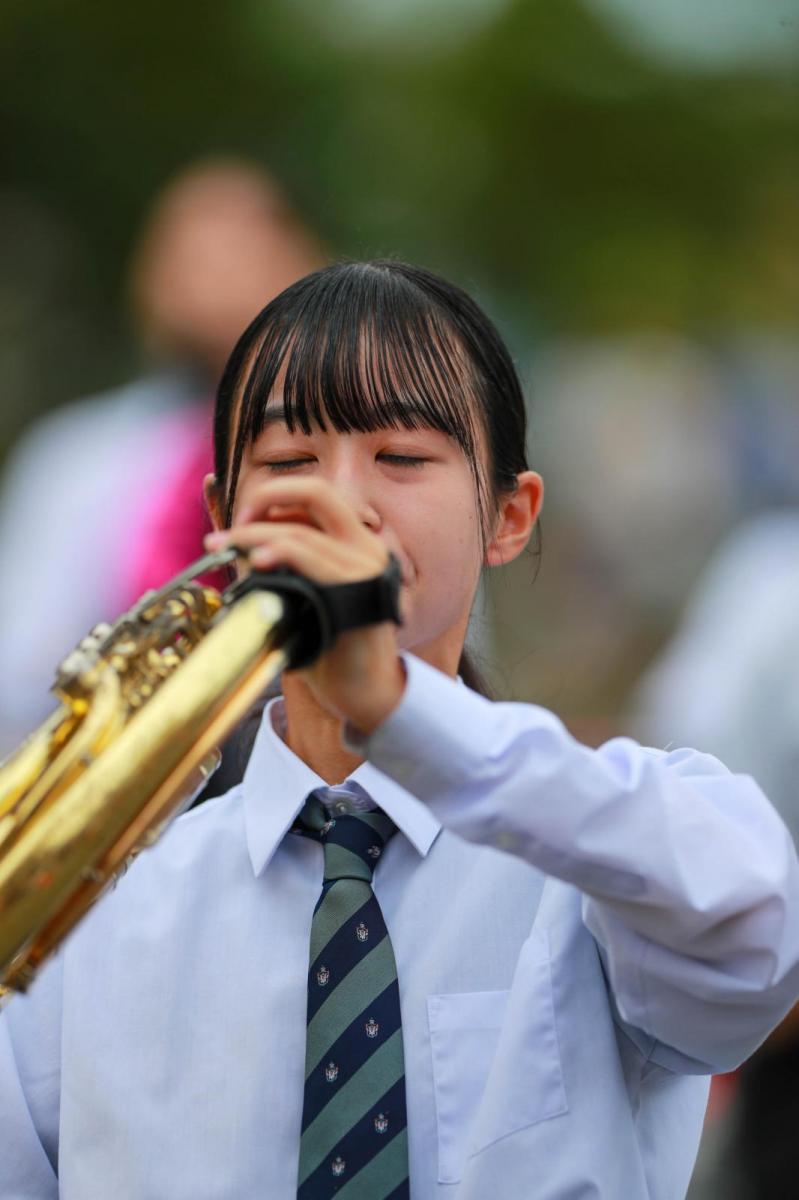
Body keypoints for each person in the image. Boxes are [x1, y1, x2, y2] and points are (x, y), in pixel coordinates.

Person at [1, 261, 798, 1200]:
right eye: (290, 462)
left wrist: (397, 707)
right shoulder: (93, 916)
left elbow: (753, 936)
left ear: (508, 516)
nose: (343, 505)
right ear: (223, 524)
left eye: (402, 457)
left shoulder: (598, 858)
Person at [0, 158, 322, 755]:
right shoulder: (72, 459)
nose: (216, 275)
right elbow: (20, 676)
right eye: (192, 251)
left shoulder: (370, 461)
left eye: (241, 247)